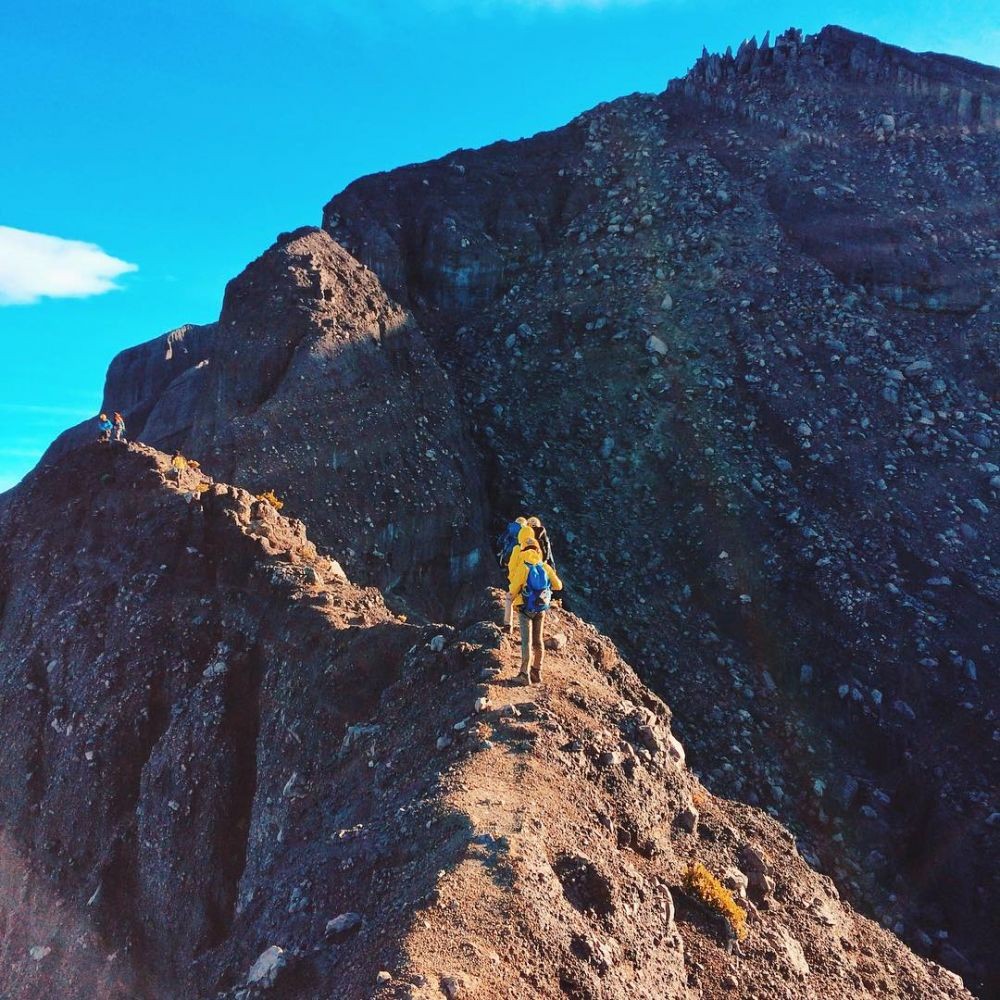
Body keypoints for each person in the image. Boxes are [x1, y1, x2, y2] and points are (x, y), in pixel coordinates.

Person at [508, 538, 562, 685]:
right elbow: (559, 586)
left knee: (526, 642)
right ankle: (536, 672)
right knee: (538, 642)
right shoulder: (545, 566)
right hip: (541, 609)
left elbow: (513, 589)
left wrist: (511, 600)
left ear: (523, 550)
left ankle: (524, 675)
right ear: (538, 550)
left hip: (525, 609)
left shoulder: (523, 567)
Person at [504, 519, 535, 635]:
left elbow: (512, 565)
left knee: (509, 599)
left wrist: (512, 578)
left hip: (519, 579)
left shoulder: (517, 548)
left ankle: (508, 625)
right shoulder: (537, 548)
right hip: (532, 583)